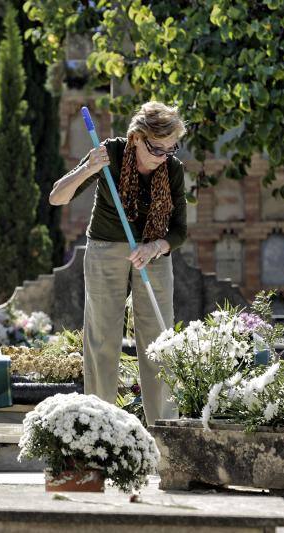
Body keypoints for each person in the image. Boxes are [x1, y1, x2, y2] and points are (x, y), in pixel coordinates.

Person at [49, 101, 187, 425]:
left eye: (171, 148)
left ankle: (165, 431)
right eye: (157, 148)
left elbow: (180, 230)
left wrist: (155, 246)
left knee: (159, 342)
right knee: (102, 340)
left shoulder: (173, 169)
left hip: (152, 251)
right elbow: (57, 197)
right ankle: (99, 427)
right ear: (137, 138)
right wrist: (88, 169)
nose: (163, 157)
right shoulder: (109, 153)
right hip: (105, 248)